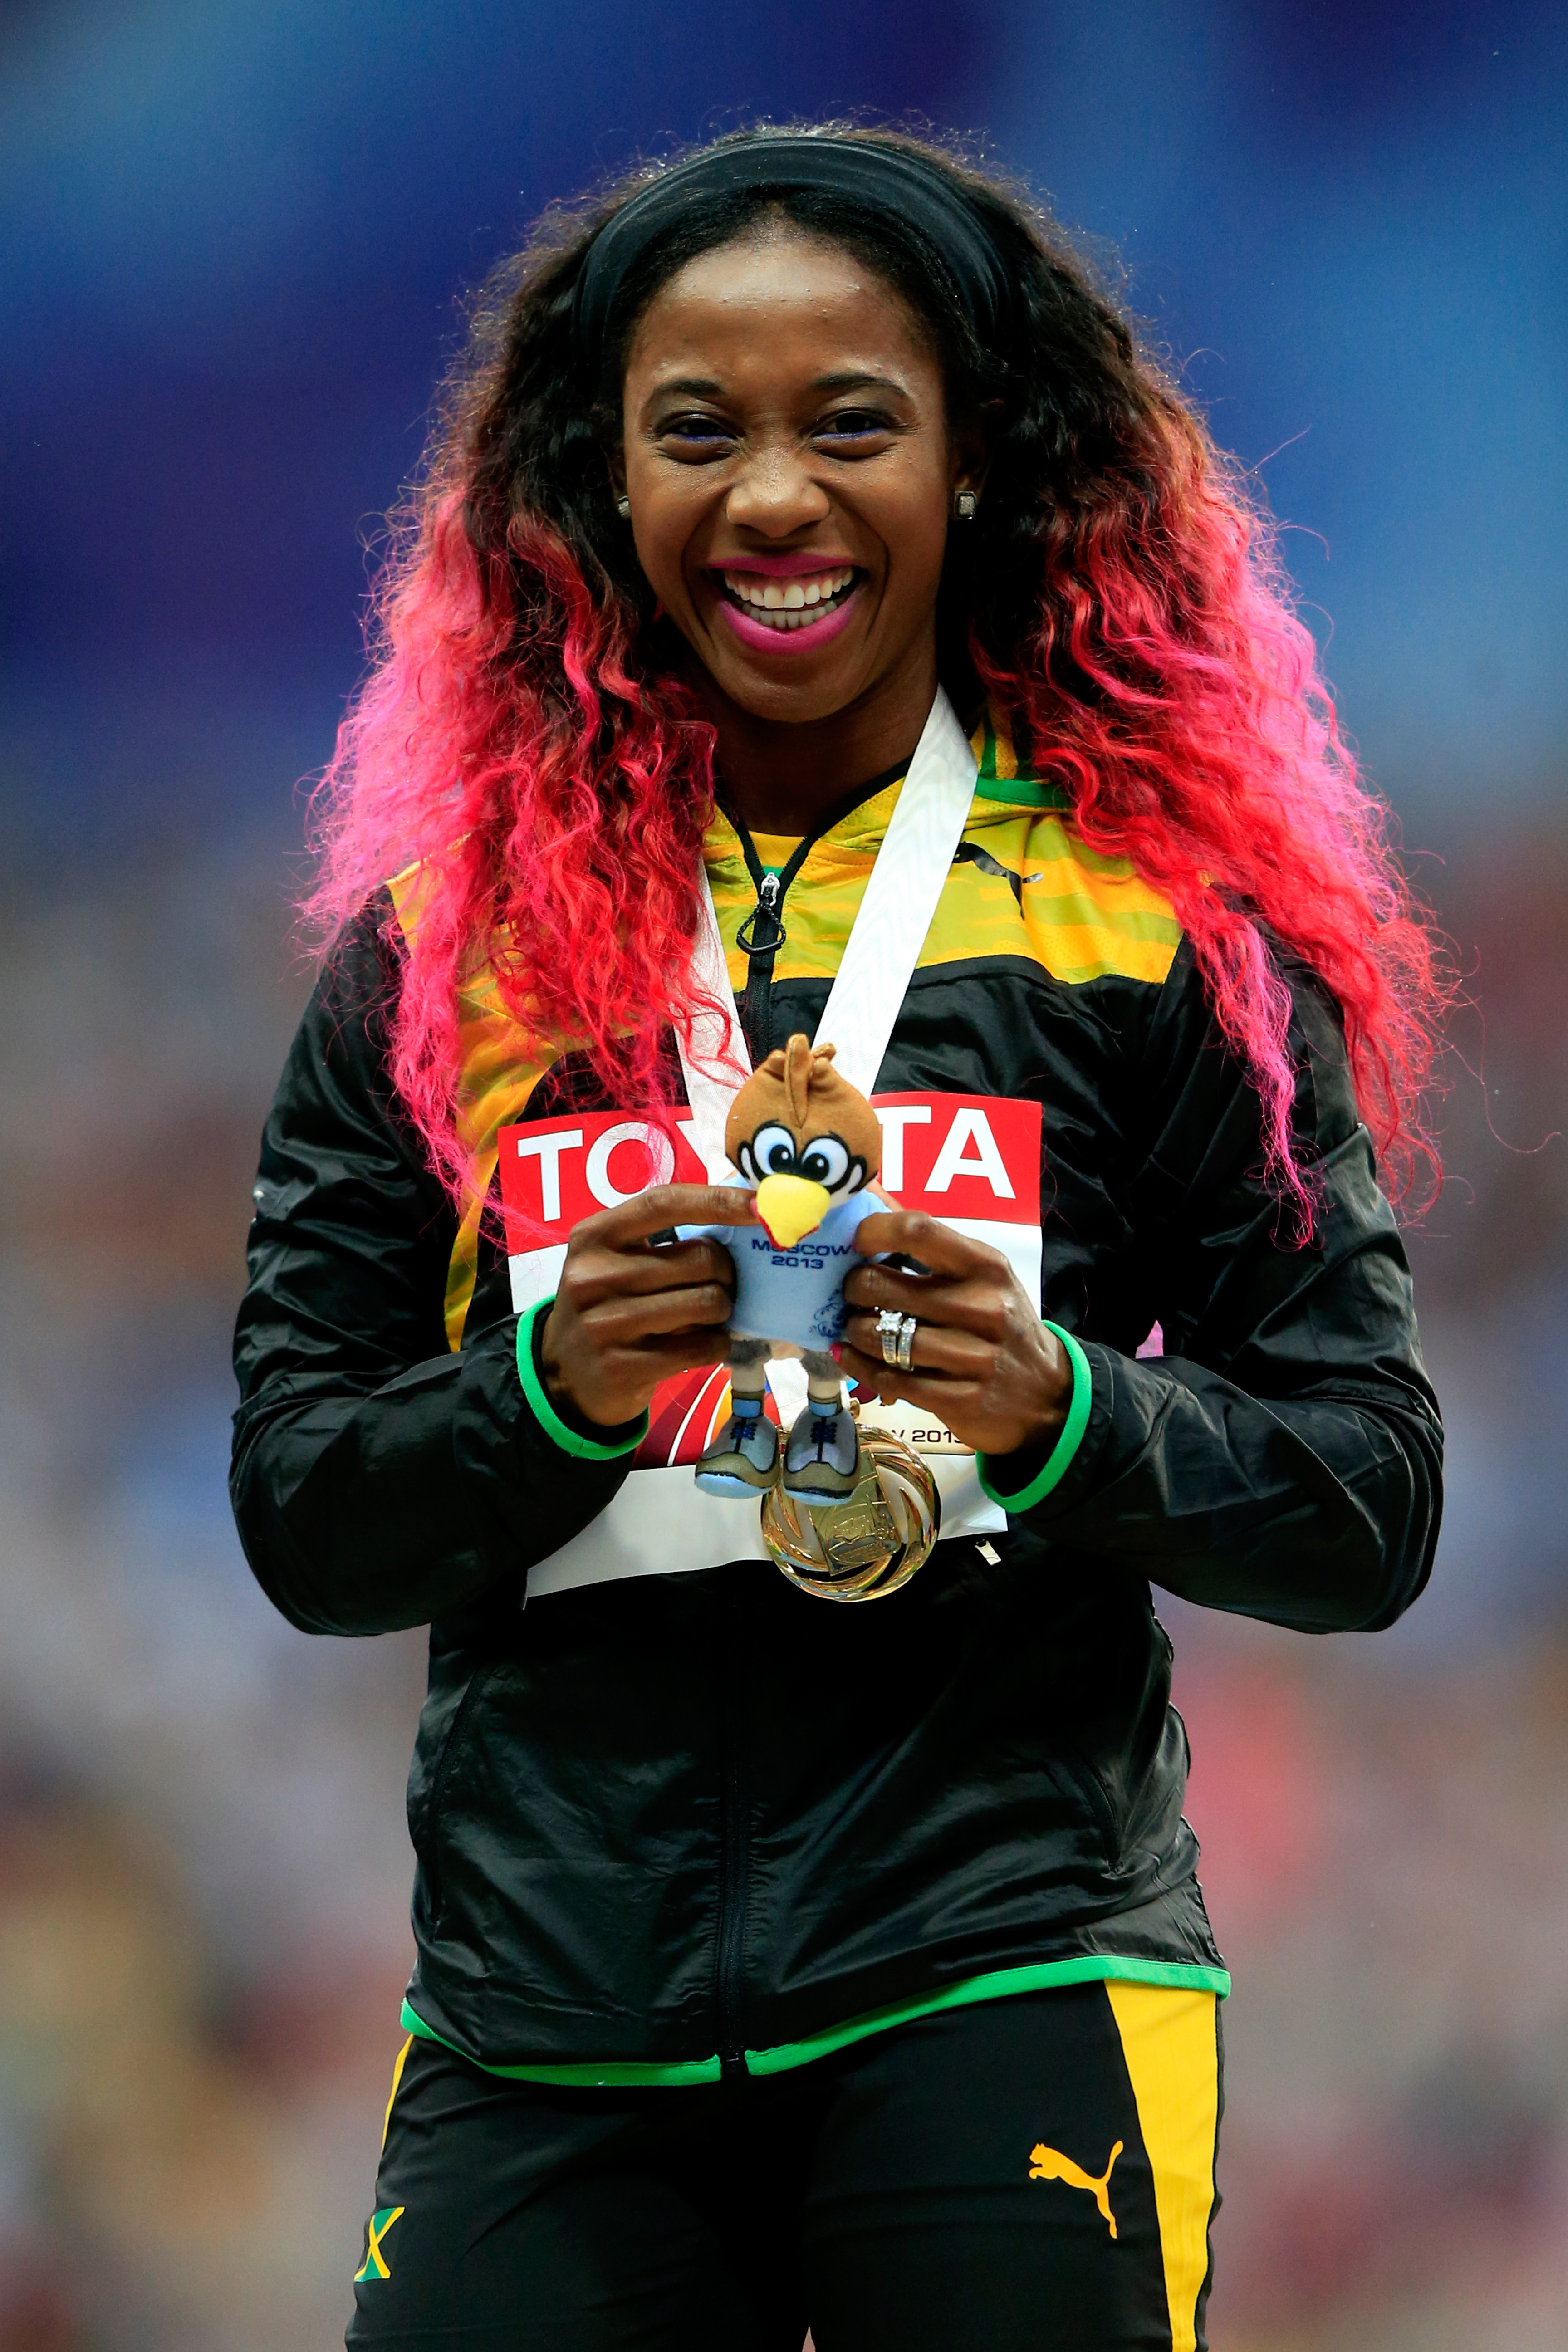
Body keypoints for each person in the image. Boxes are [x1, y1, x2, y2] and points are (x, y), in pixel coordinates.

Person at [230, 125, 1444, 2352]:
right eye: (697, 432)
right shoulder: (442, 961)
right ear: (601, 491)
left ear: (977, 464)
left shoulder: (1152, 933)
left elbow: (1368, 1499)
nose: (772, 496)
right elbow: (309, 1520)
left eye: (850, 422)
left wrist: (1066, 1411)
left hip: (1009, 1979)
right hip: (544, 2023)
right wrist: (543, 1400)